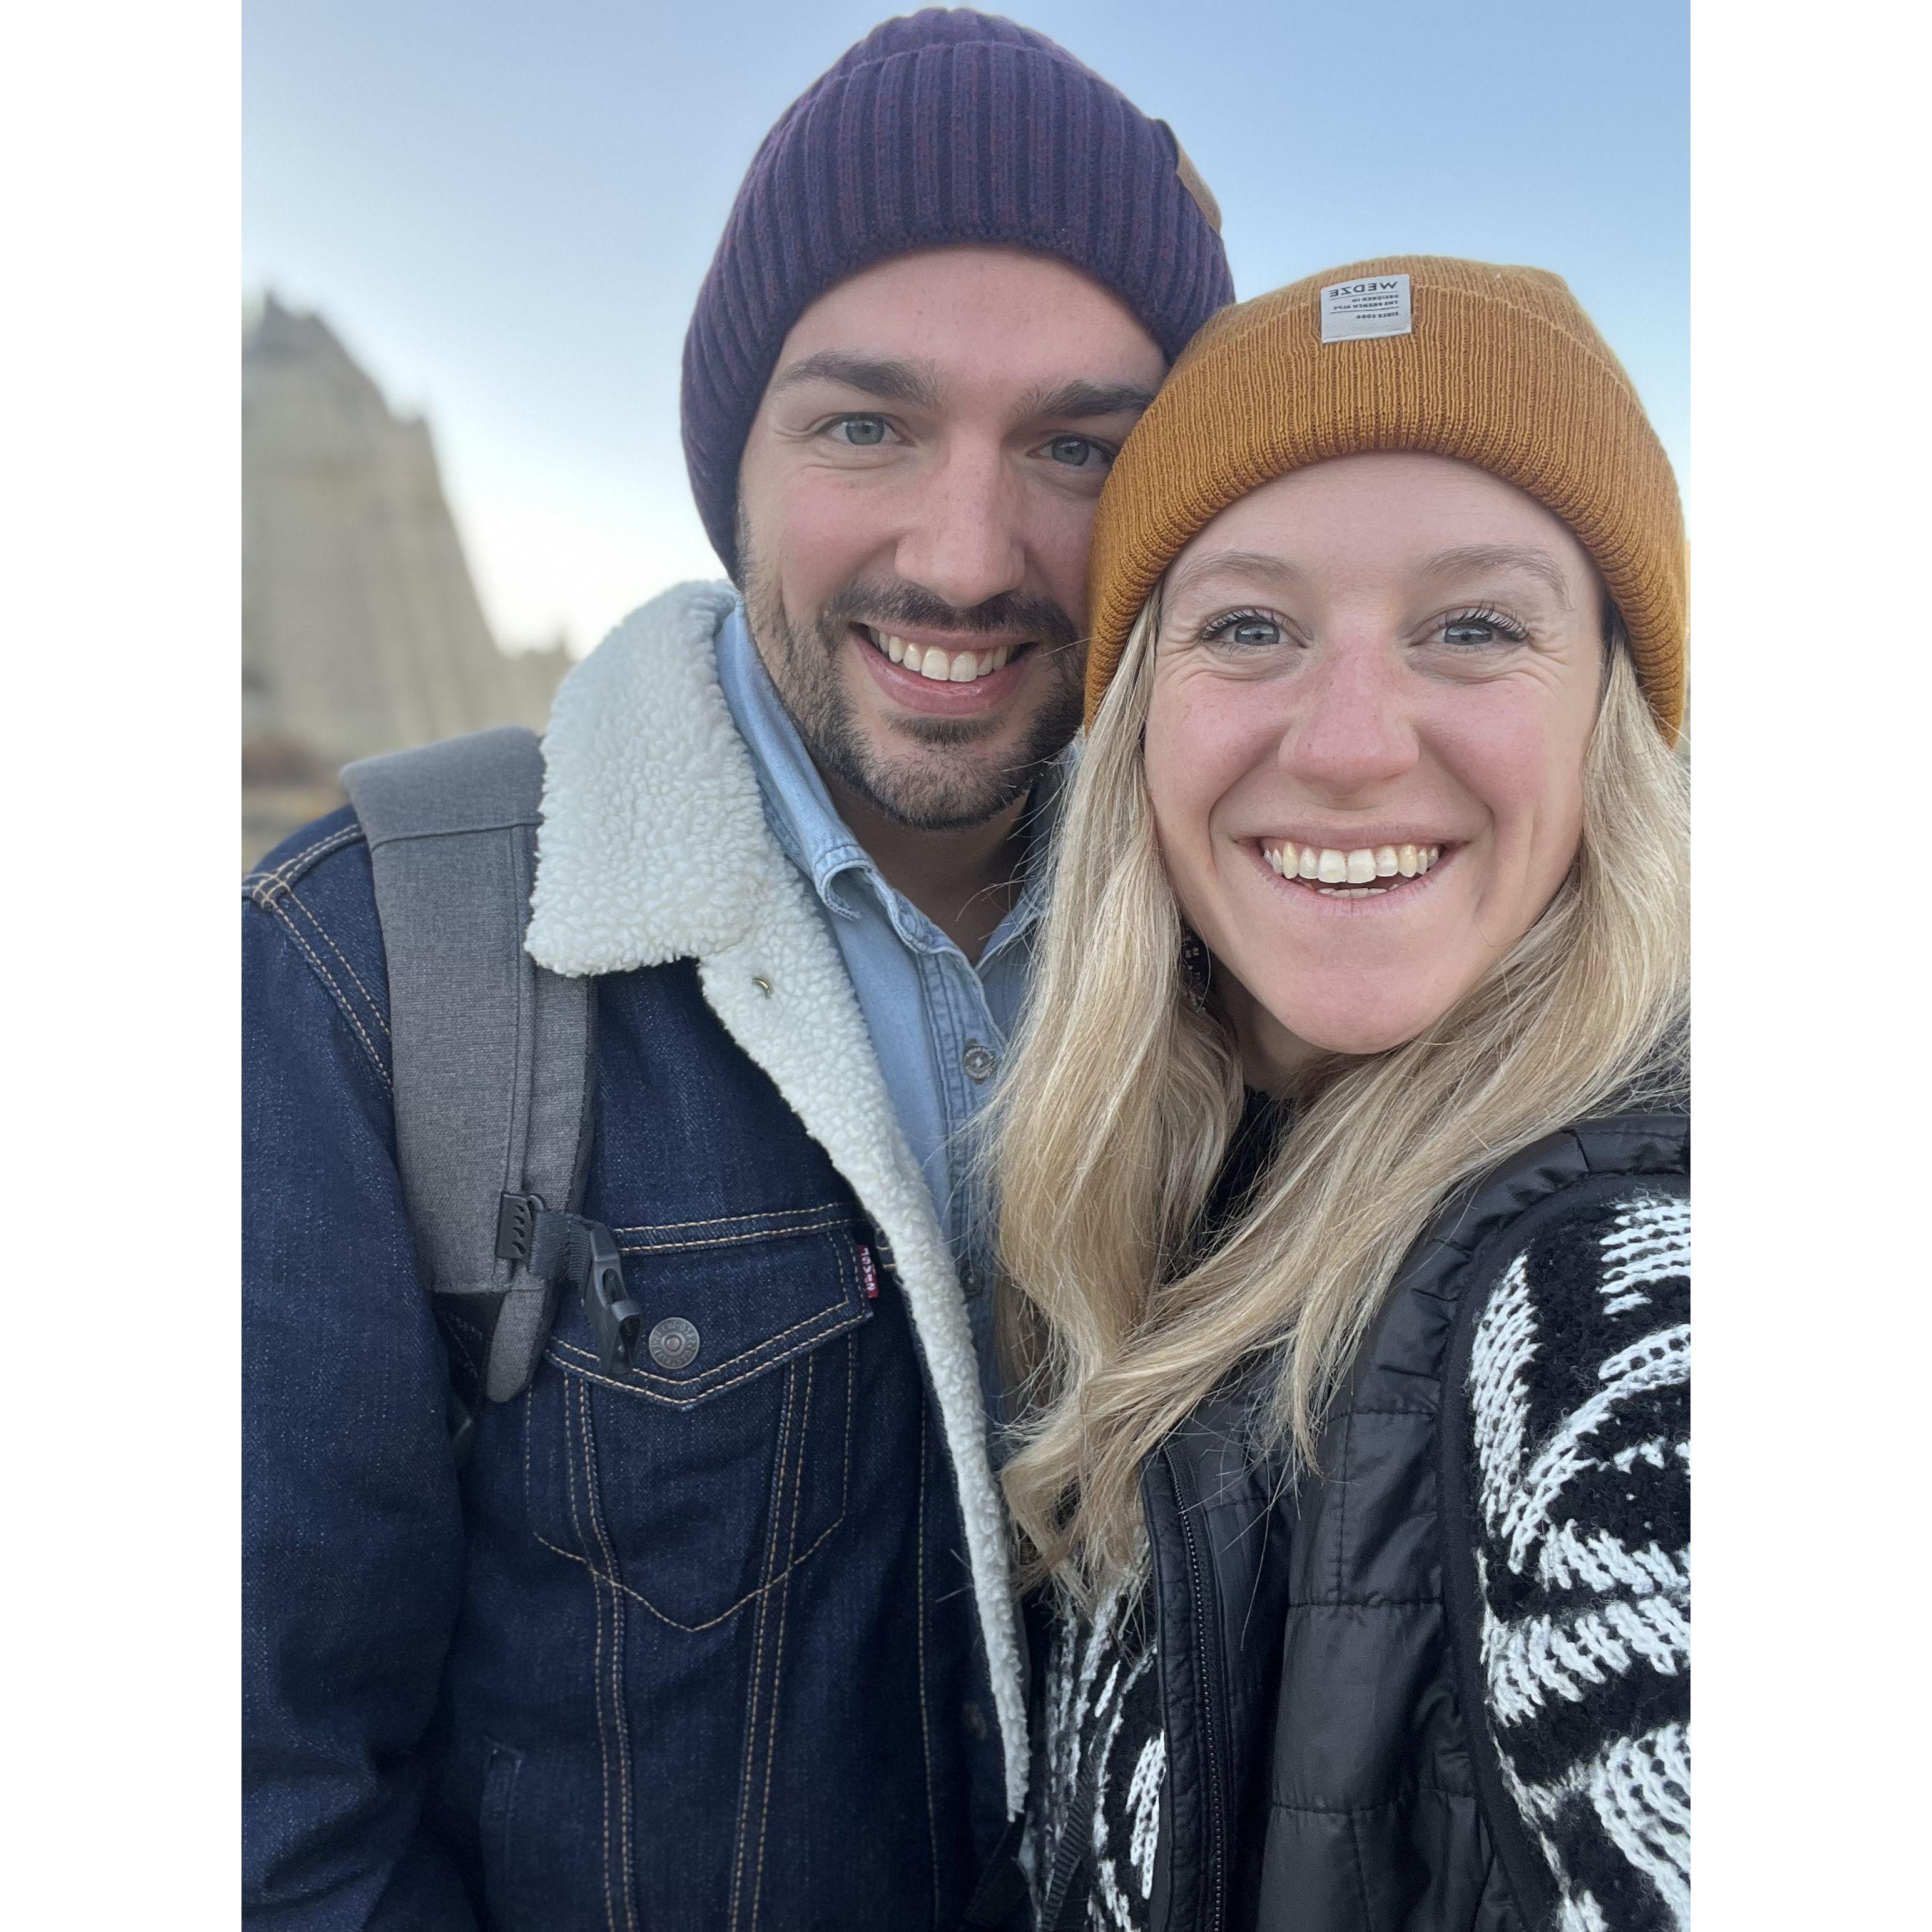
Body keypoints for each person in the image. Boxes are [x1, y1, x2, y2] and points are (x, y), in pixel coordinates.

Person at [241, 12, 1233, 1929]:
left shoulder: (1286, 971)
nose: (967, 556)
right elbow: (258, 1814)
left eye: (1078, 447)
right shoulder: (372, 973)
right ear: (735, 467)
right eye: (867, 425)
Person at [990, 258, 1689, 1931]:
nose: (1353, 741)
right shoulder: (1174, 1198)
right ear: (1135, 722)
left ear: (1612, 715)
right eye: (1250, 627)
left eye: (1476, 626)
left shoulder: (1618, 1304)